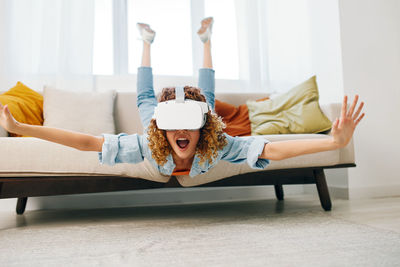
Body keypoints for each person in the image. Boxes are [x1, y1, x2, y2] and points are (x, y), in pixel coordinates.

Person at [0, 17, 365, 178]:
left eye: (190, 124)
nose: (182, 133)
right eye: (174, 125)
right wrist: (22, 126)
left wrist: (330, 141)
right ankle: (147, 41)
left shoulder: (215, 143)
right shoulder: (150, 139)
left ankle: (206, 41)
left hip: (197, 113)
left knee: (206, 96)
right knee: (145, 96)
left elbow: (272, 149)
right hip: (154, 117)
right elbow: (84, 142)